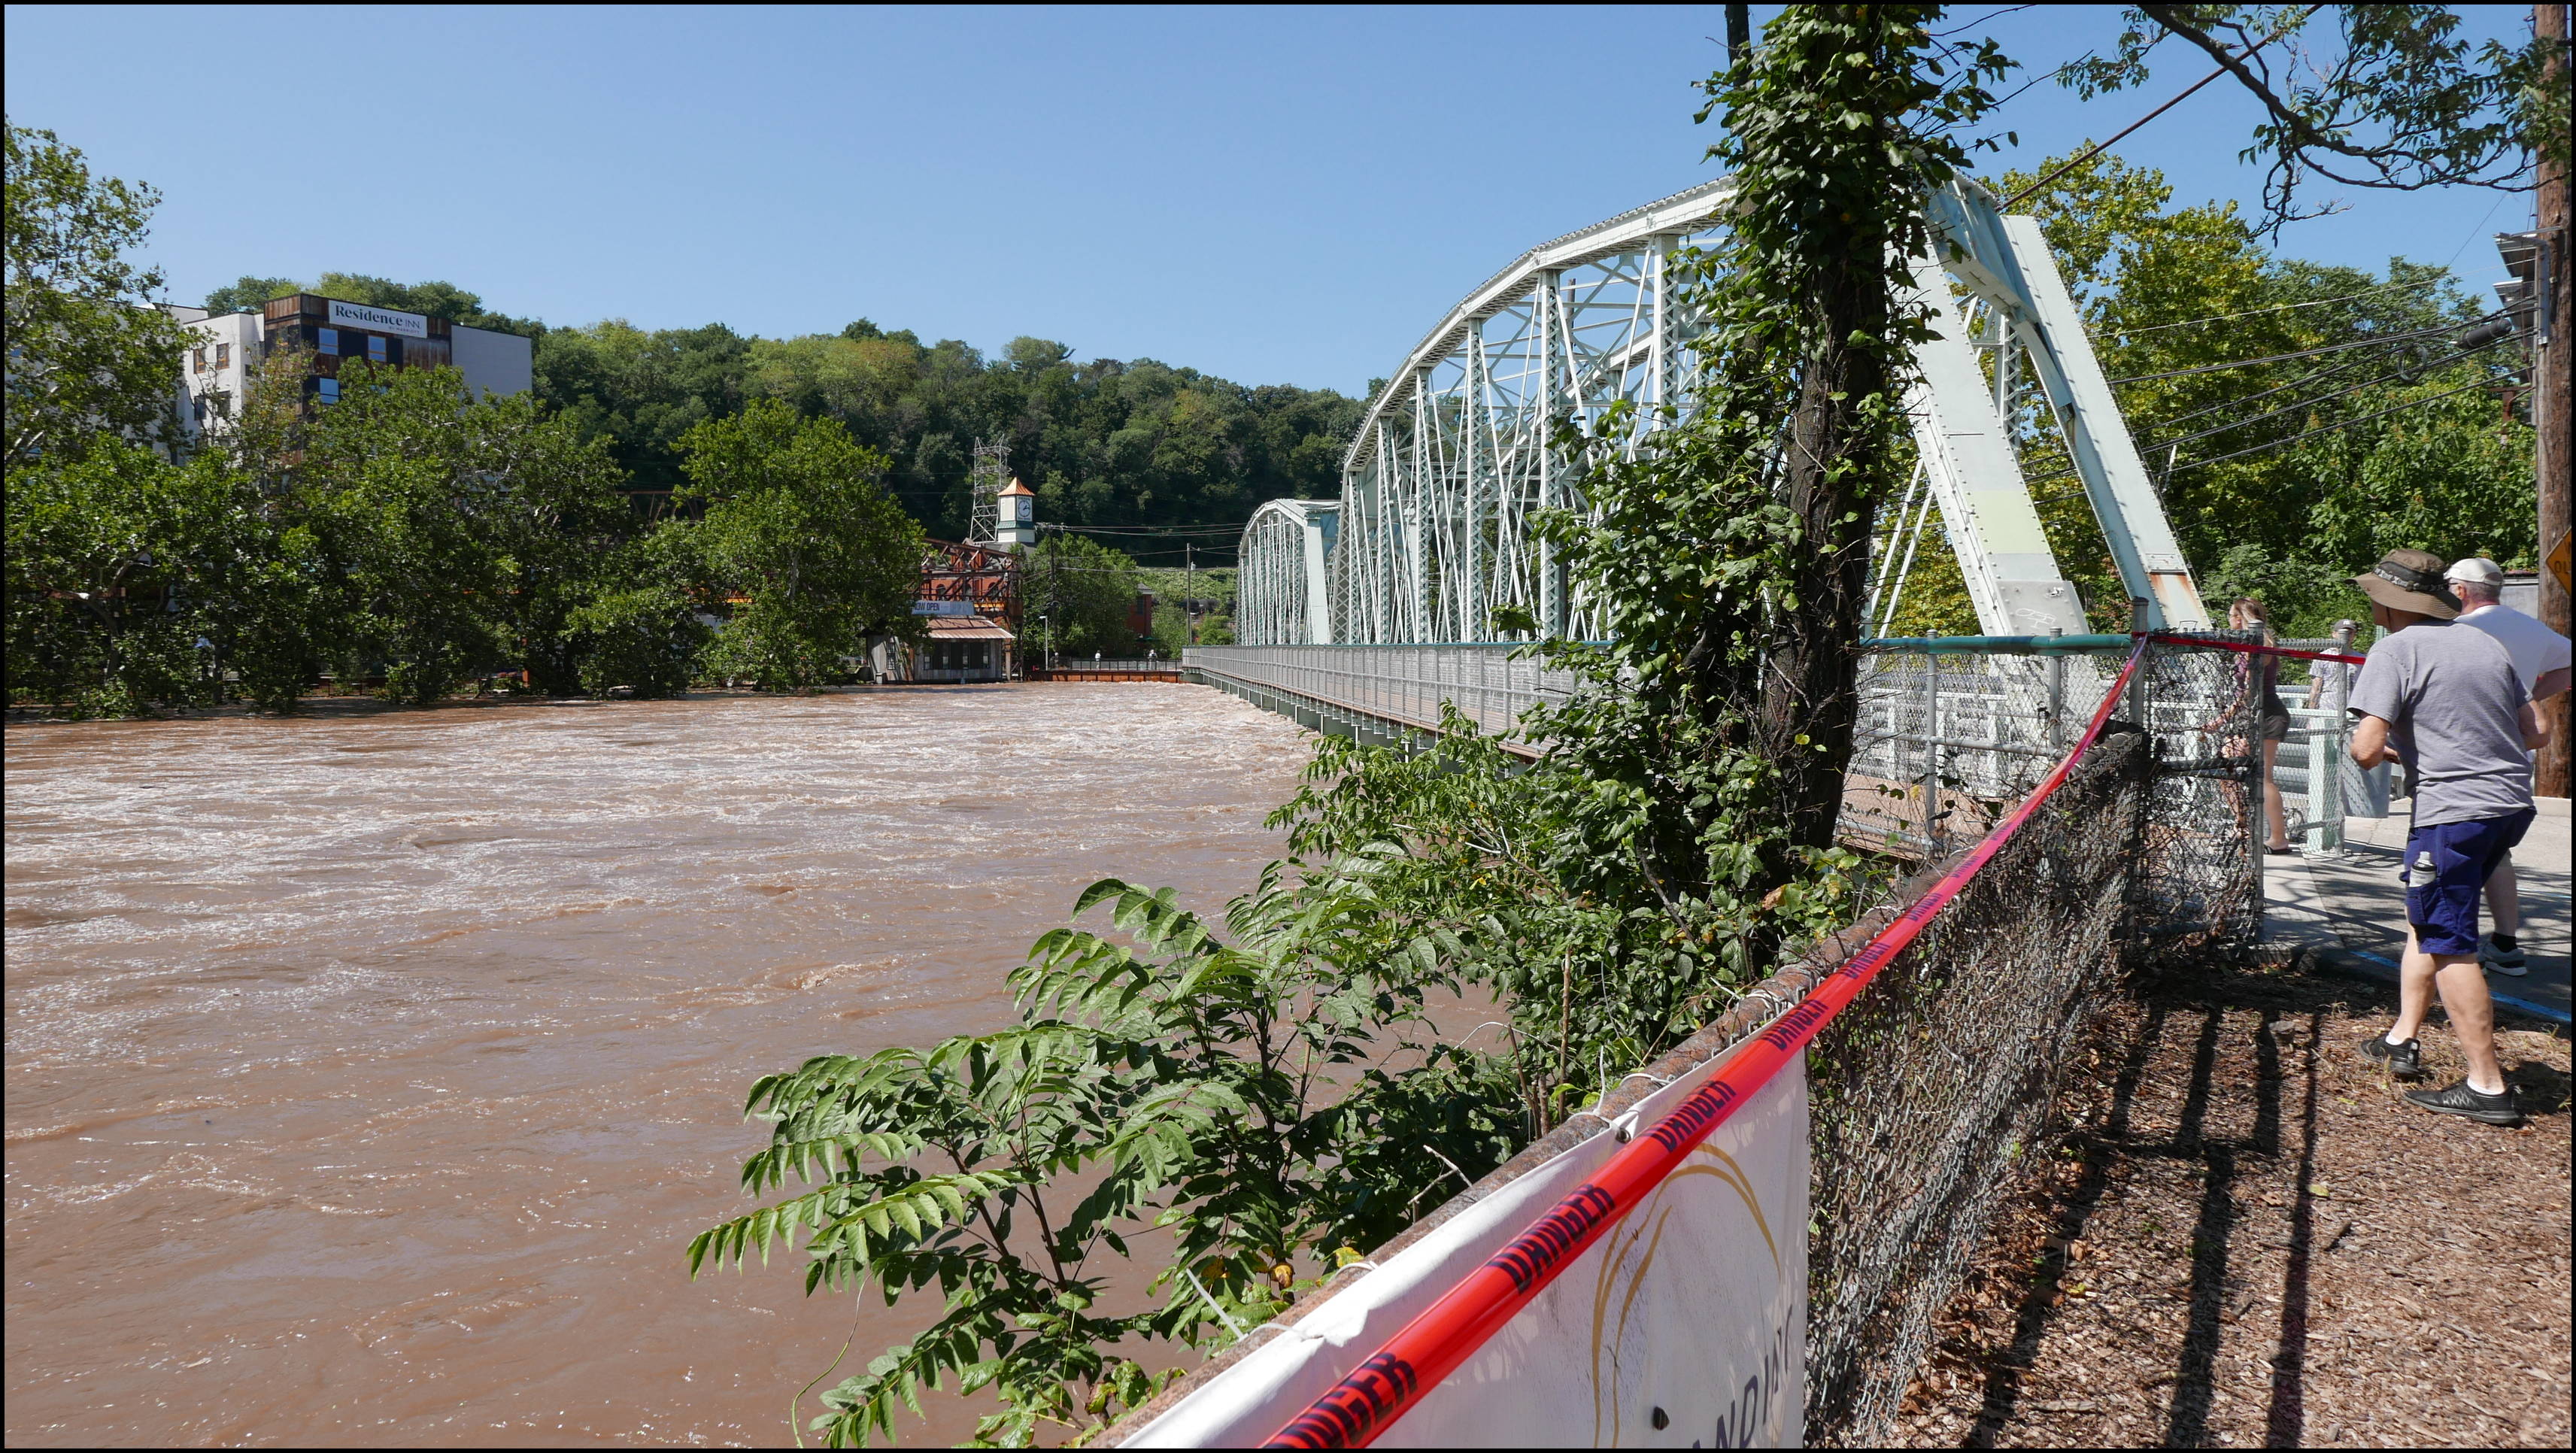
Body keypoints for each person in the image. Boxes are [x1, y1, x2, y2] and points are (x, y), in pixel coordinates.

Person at [2345, 549, 2549, 1127]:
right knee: (2432, 917)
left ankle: (2486, 1086)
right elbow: (2536, 731)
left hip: (2452, 812)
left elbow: (2363, 749)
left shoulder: (2393, 649)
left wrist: (2401, 750)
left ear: (2388, 603)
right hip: (2509, 803)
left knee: (2447, 939)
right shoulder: (2484, 644)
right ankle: (2400, 1039)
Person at [2446, 556, 2572, 978]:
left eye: (2449, 587)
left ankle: (2447, 950)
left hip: (2460, 754)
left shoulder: (2457, 631)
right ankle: (2505, 943)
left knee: (2448, 846)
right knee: (2497, 849)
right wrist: (2532, 693)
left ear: (2462, 590)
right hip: (2513, 753)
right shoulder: (2530, 628)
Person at [2206, 597, 2293, 852]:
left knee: (2264, 777)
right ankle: (2241, 825)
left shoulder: (2260, 643)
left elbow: (2248, 691)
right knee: (2227, 763)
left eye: (2232, 615)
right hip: (2250, 715)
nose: (2229, 620)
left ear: (2239, 618)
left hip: (2268, 714)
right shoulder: (2247, 643)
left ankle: (2279, 839)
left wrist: (2222, 719)